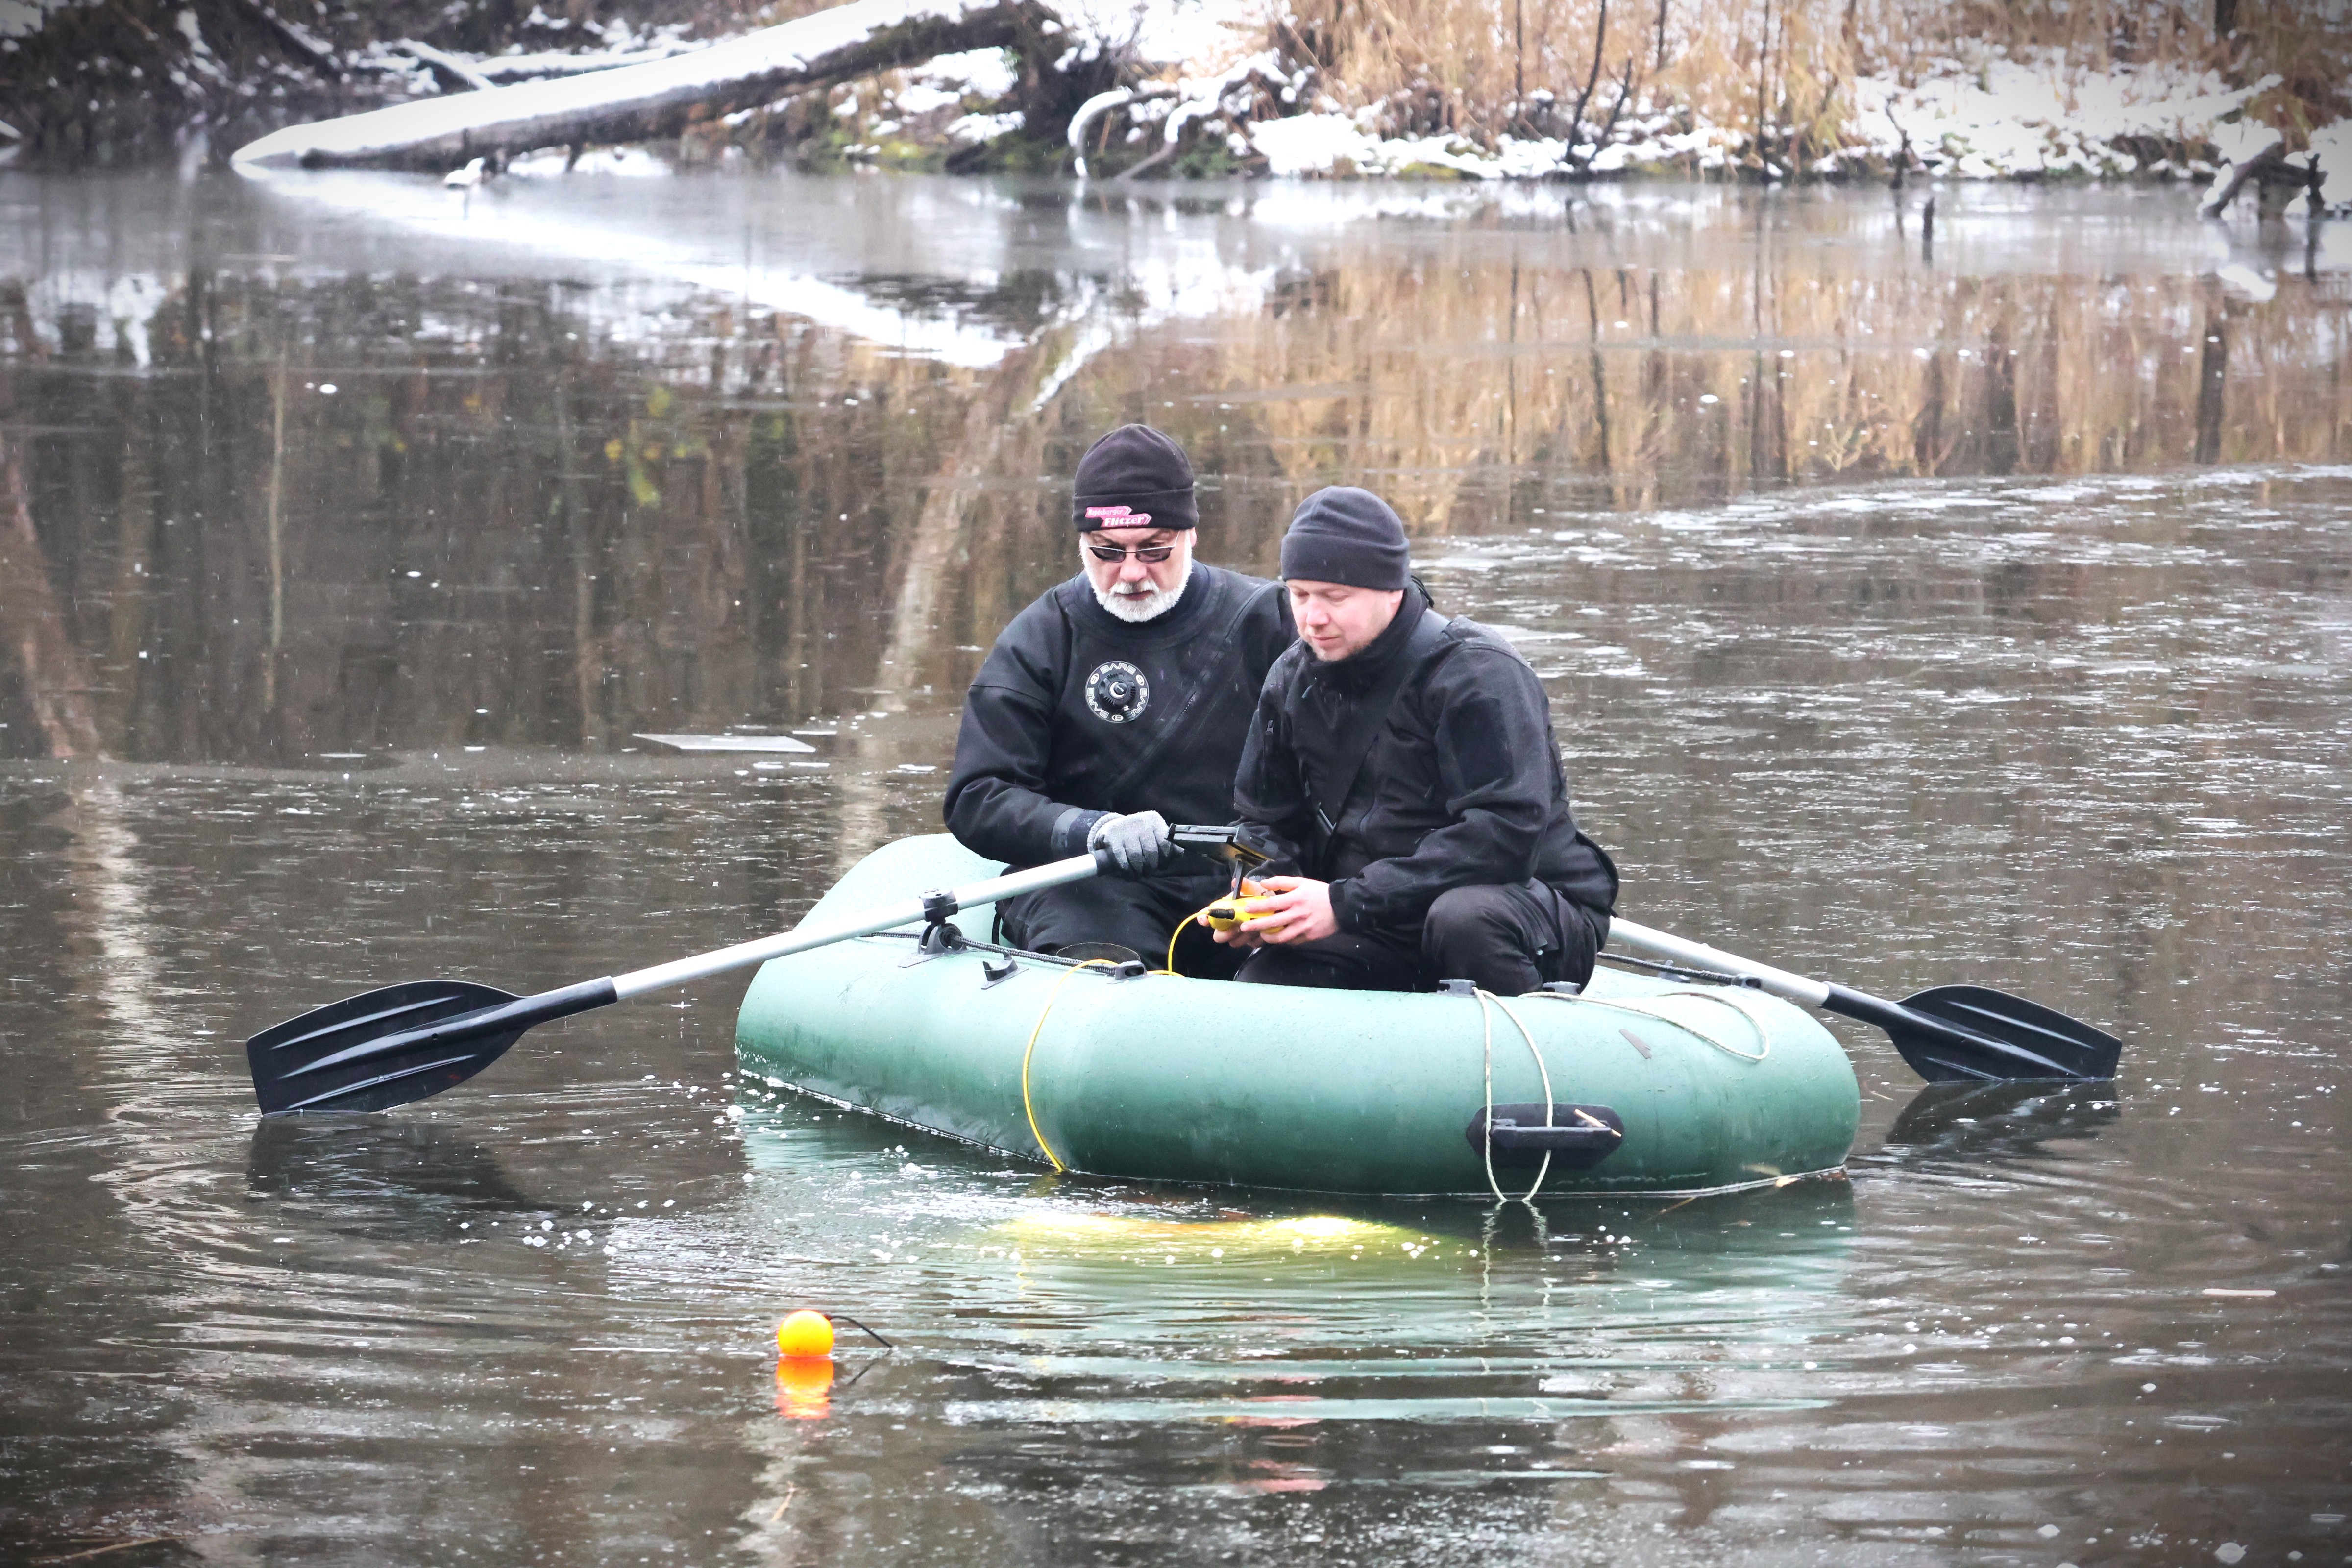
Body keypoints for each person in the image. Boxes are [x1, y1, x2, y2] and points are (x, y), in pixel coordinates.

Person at [1213, 486, 1618, 995]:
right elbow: (1259, 823)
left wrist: (1345, 902)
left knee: (1464, 920)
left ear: (1391, 590)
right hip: (1374, 916)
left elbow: (1505, 838)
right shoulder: (1290, 679)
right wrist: (1260, 890)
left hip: (1522, 904)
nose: (1313, 618)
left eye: (1334, 598)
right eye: (1299, 595)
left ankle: (1531, 1033)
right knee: (1271, 976)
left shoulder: (1478, 674)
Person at [943, 425, 1293, 970]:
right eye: (1107, 551)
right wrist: (1092, 828)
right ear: (1080, 543)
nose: (1130, 573)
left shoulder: (1269, 621)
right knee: (1089, 927)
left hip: (1243, 879)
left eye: (1154, 549)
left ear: (1191, 535)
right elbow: (979, 795)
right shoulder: (1041, 638)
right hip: (1097, 884)